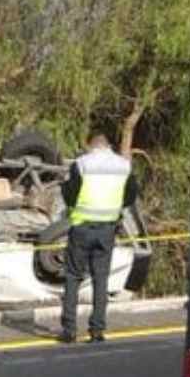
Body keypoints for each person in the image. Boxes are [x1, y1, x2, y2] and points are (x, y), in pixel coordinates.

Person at [58, 134, 139, 344]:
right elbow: (131, 195)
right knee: (100, 279)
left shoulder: (82, 164)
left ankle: (69, 330)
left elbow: (70, 194)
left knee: (73, 277)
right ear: (108, 146)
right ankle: (97, 331)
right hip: (107, 229)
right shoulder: (124, 165)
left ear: (91, 146)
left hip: (82, 227)